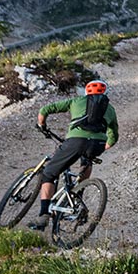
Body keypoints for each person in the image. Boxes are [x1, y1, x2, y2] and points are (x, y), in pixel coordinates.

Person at [28, 80, 118, 230]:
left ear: (86, 92)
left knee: (49, 173)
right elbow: (113, 135)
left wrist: (42, 125)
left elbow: (45, 110)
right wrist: (104, 146)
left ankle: (43, 215)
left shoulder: (76, 101)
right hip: (98, 144)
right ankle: (78, 192)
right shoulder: (109, 109)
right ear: (105, 93)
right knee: (87, 160)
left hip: (76, 141)